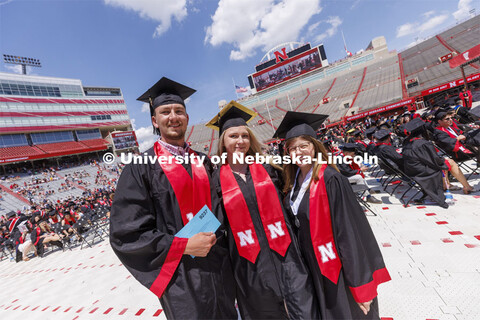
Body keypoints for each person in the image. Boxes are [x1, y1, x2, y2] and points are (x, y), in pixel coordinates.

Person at [109, 78, 236, 319]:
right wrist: (184, 245)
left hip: (219, 267)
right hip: (181, 275)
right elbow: (126, 234)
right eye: (165, 112)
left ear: (187, 118)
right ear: (155, 121)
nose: (173, 116)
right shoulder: (139, 168)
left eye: (179, 111)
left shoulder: (204, 162)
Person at [207, 102, 320, 319]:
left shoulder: (270, 170)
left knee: (303, 309)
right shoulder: (215, 181)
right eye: (233, 136)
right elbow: (216, 225)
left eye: (245, 135)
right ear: (223, 142)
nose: (240, 141)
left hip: (288, 257)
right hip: (250, 267)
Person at [275, 111, 391, 319]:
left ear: (315, 147)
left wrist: (360, 283)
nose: (298, 152)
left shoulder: (331, 180)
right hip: (312, 266)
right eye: (293, 148)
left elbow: (349, 233)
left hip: (337, 266)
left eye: (304, 146)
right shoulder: (293, 182)